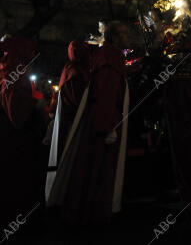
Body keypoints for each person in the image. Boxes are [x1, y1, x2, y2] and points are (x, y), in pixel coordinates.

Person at [46, 21, 131, 226]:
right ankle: (93, 216)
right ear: (115, 37)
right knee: (97, 171)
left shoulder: (106, 56)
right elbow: (105, 92)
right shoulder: (109, 58)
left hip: (101, 120)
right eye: (125, 34)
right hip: (104, 124)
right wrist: (107, 126)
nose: (129, 38)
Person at [0, 36, 45, 230]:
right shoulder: (15, 73)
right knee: (18, 185)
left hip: (12, 141)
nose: (33, 54)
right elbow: (17, 114)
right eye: (30, 50)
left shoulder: (13, 70)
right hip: (17, 144)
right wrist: (36, 102)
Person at [45, 40, 91, 199]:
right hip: (74, 122)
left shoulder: (70, 69)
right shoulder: (76, 72)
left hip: (69, 120)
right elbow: (78, 101)